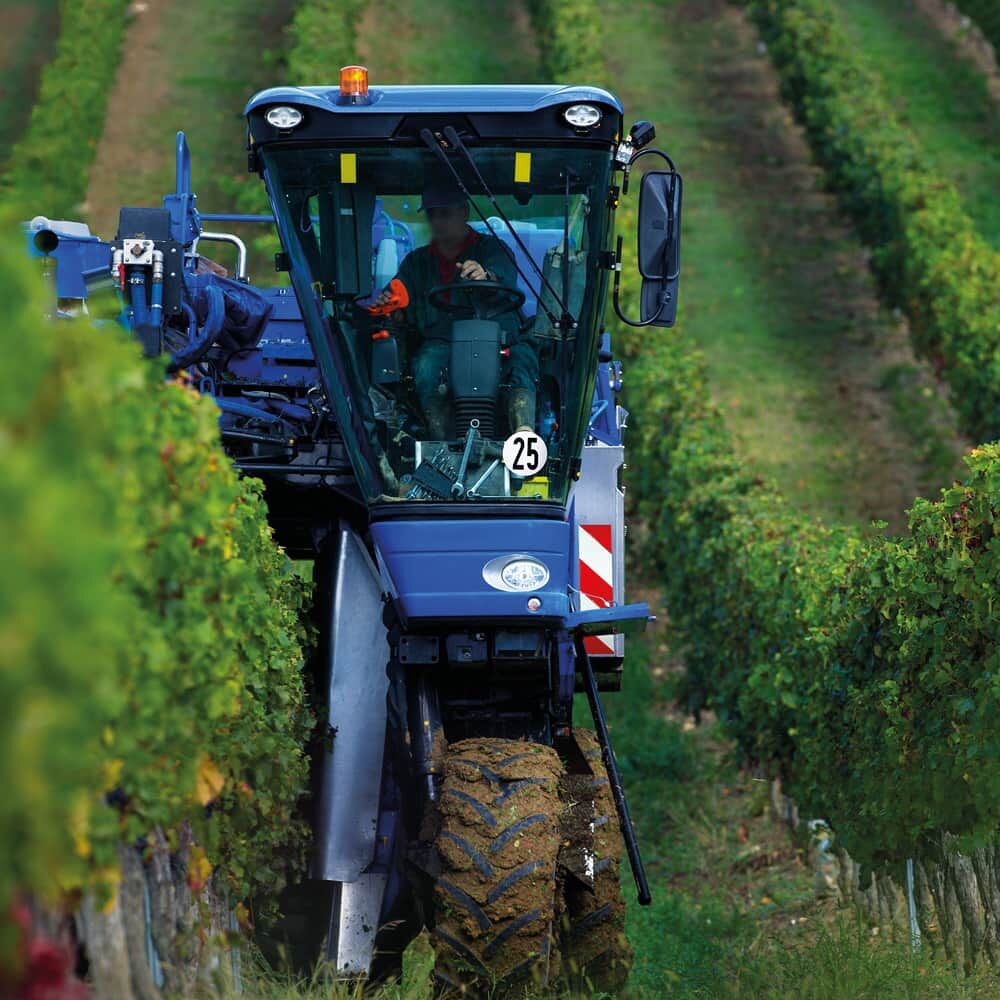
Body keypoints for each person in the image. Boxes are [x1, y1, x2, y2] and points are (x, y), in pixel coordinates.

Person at [373, 174, 537, 439]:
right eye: (432, 215)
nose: (437, 221)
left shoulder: (494, 249)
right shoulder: (417, 262)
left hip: (498, 338)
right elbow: (399, 294)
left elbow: (502, 276)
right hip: (442, 341)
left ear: (463, 212)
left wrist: (485, 276)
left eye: (444, 213)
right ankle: (441, 442)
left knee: (523, 359)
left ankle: (524, 435)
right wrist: (391, 303)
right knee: (425, 365)